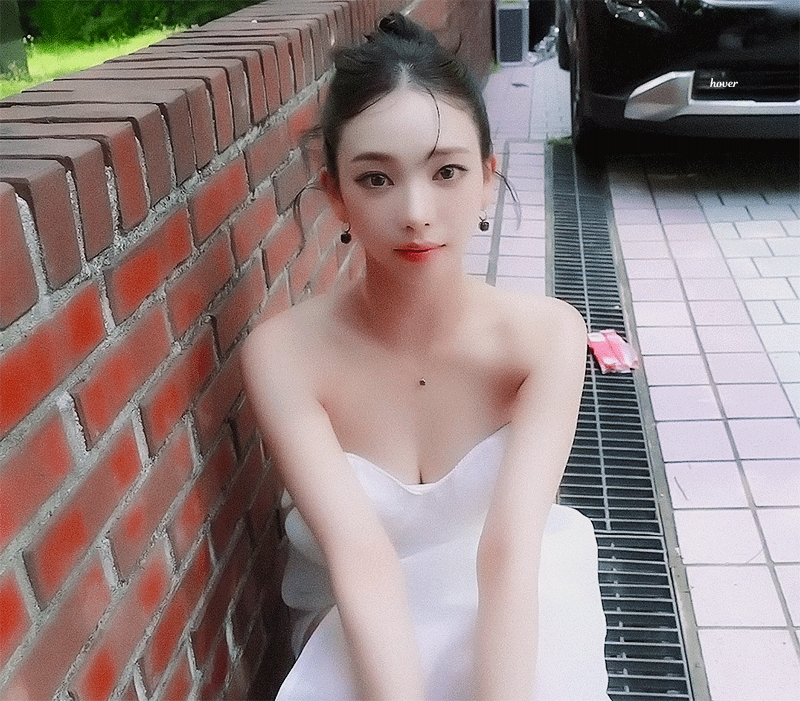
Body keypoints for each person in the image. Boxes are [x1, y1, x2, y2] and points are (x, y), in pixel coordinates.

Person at [242, 13, 610, 701]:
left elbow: (508, 555)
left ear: (486, 179)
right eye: (376, 179)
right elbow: (361, 561)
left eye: (446, 171)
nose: (415, 211)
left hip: (514, 598)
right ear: (335, 193)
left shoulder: (547, 337)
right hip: (359, 622)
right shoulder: (283, 354)